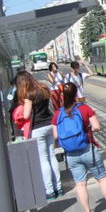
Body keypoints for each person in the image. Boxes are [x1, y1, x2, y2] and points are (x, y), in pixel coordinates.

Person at [52, 82, 106, 212]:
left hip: (71, 155)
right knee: (101, 178)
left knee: (80, 183)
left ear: (63, 96)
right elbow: (97, 126)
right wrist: (87, 129)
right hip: (88, 149)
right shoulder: (84, 108)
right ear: (75, 94)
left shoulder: (57, 114)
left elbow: (56, 136)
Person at [18, 72, 63, 200]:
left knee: (43, 159)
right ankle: (58, 187)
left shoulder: (28, 95)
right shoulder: (43, 88)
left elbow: (26, 115)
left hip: (37, 128)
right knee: (52, 156)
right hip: (49, 124)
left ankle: (49, 190)